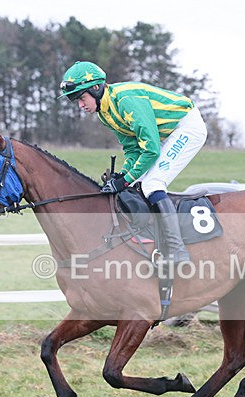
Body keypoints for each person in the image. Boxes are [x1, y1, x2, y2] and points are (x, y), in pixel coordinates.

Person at [59, 61, 207, 265]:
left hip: (187, 127)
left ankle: (177, 250)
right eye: (75, 101)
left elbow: (151, 149)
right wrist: (123, 176)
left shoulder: (126, 100)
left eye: (82, 98)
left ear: (96, 87)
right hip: (167, 135)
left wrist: (126, 180)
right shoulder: (105, 112)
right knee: (139, 184)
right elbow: (132, 149)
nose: (80, 105)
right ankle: (153, 242)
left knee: (152, 183)